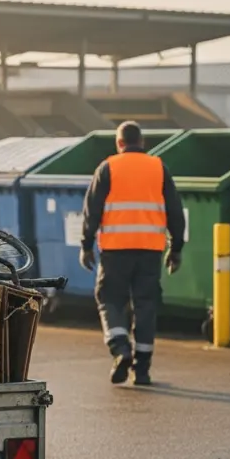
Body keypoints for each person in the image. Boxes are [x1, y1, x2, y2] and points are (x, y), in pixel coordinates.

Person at [79, 121, 185, 385]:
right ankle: (143, 370)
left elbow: (92, 210)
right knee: (146, 306)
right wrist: (176, 248)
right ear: (142, 142)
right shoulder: (159, 168)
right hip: (150, 250)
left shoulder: (108, 168)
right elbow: (175, 210)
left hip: (115, 250)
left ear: (119, 143)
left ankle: (120, 348)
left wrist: (86, 245)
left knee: (109, 299)